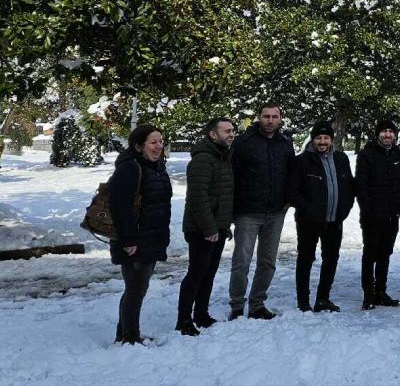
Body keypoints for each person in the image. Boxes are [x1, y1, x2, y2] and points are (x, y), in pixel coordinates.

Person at [229, 103, 295, 320]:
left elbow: (291, 174)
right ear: (259, 118)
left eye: (275, 116)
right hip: (248, 211)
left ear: (280, 119)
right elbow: (232, 175)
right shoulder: (243, 143)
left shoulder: (285, 143)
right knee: (242, 262)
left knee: (267, 262)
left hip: (275, 212)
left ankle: (257, 304)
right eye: (266, 116)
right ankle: (237, 305)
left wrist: (288, 199)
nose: (270, 120)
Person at [111, 125, 172, 344]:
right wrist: (128, 240)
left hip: (152, 237)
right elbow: (120, 206)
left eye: (161, 141)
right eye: (153, 142)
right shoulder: (130, 168)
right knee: (135, 289)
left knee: (137, 289)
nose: (159, 146)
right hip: (135, 240)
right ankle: (129, 338)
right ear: (138, 146)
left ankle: (125, 334)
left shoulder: (156, 166)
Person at [289, 121, 355, 313]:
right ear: (313, 139)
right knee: (306, 259)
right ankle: (303, 301)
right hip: (309, 221)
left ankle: (323, 298)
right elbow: (293, 192)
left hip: (335, 220)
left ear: (331, 140)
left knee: (331, 259)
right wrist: (309, 211)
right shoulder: (302, 161)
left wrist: (344, 209)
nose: (323, 141)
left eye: (326, 138)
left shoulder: (341, 158)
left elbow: (349, 187)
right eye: (319, 137)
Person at [177, 118, 235, 336]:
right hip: (201, 229)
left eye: (232, 131)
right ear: (213, 134)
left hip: (217, 227)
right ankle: (183, 319)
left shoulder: (222, 157)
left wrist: (222, 226)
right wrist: (209, 228)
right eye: (227, 131)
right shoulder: (203, 159)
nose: (231, 134)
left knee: (208, 273)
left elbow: (222, 195)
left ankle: (201, 314)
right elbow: (198, 198)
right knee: (196, 274)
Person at [355, 118, 400, 310]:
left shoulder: (399, 156)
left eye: (391, 132)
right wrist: (367, 210)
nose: (387, 135)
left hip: (392, 214)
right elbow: (361, 186)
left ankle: (381, 291)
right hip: (372, 216)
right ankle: (368, 294)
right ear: (378, 133)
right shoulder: (367, 154)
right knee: (370, 255)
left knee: (385, 254)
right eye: (384, 131)